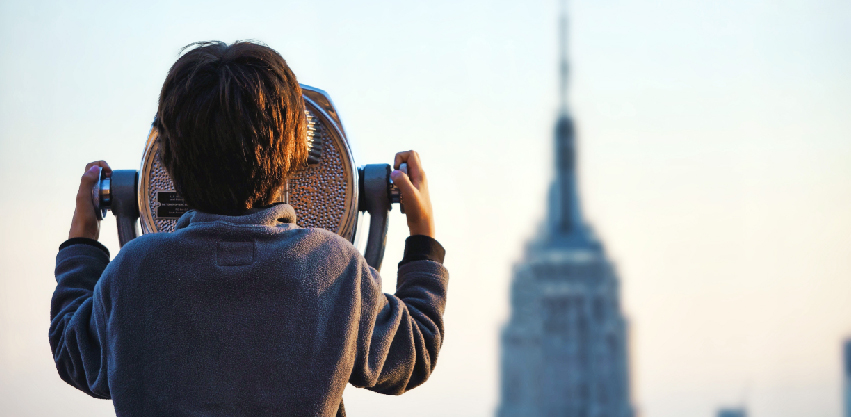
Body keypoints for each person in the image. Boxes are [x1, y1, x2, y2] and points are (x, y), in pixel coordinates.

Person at [50, 41, 448, 417]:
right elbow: (416, 350)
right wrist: (422, 237)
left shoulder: (134, 272)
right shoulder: (334, 268)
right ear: (296, 153)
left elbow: (74, 354)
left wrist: (82, 240)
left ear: (166, 162)